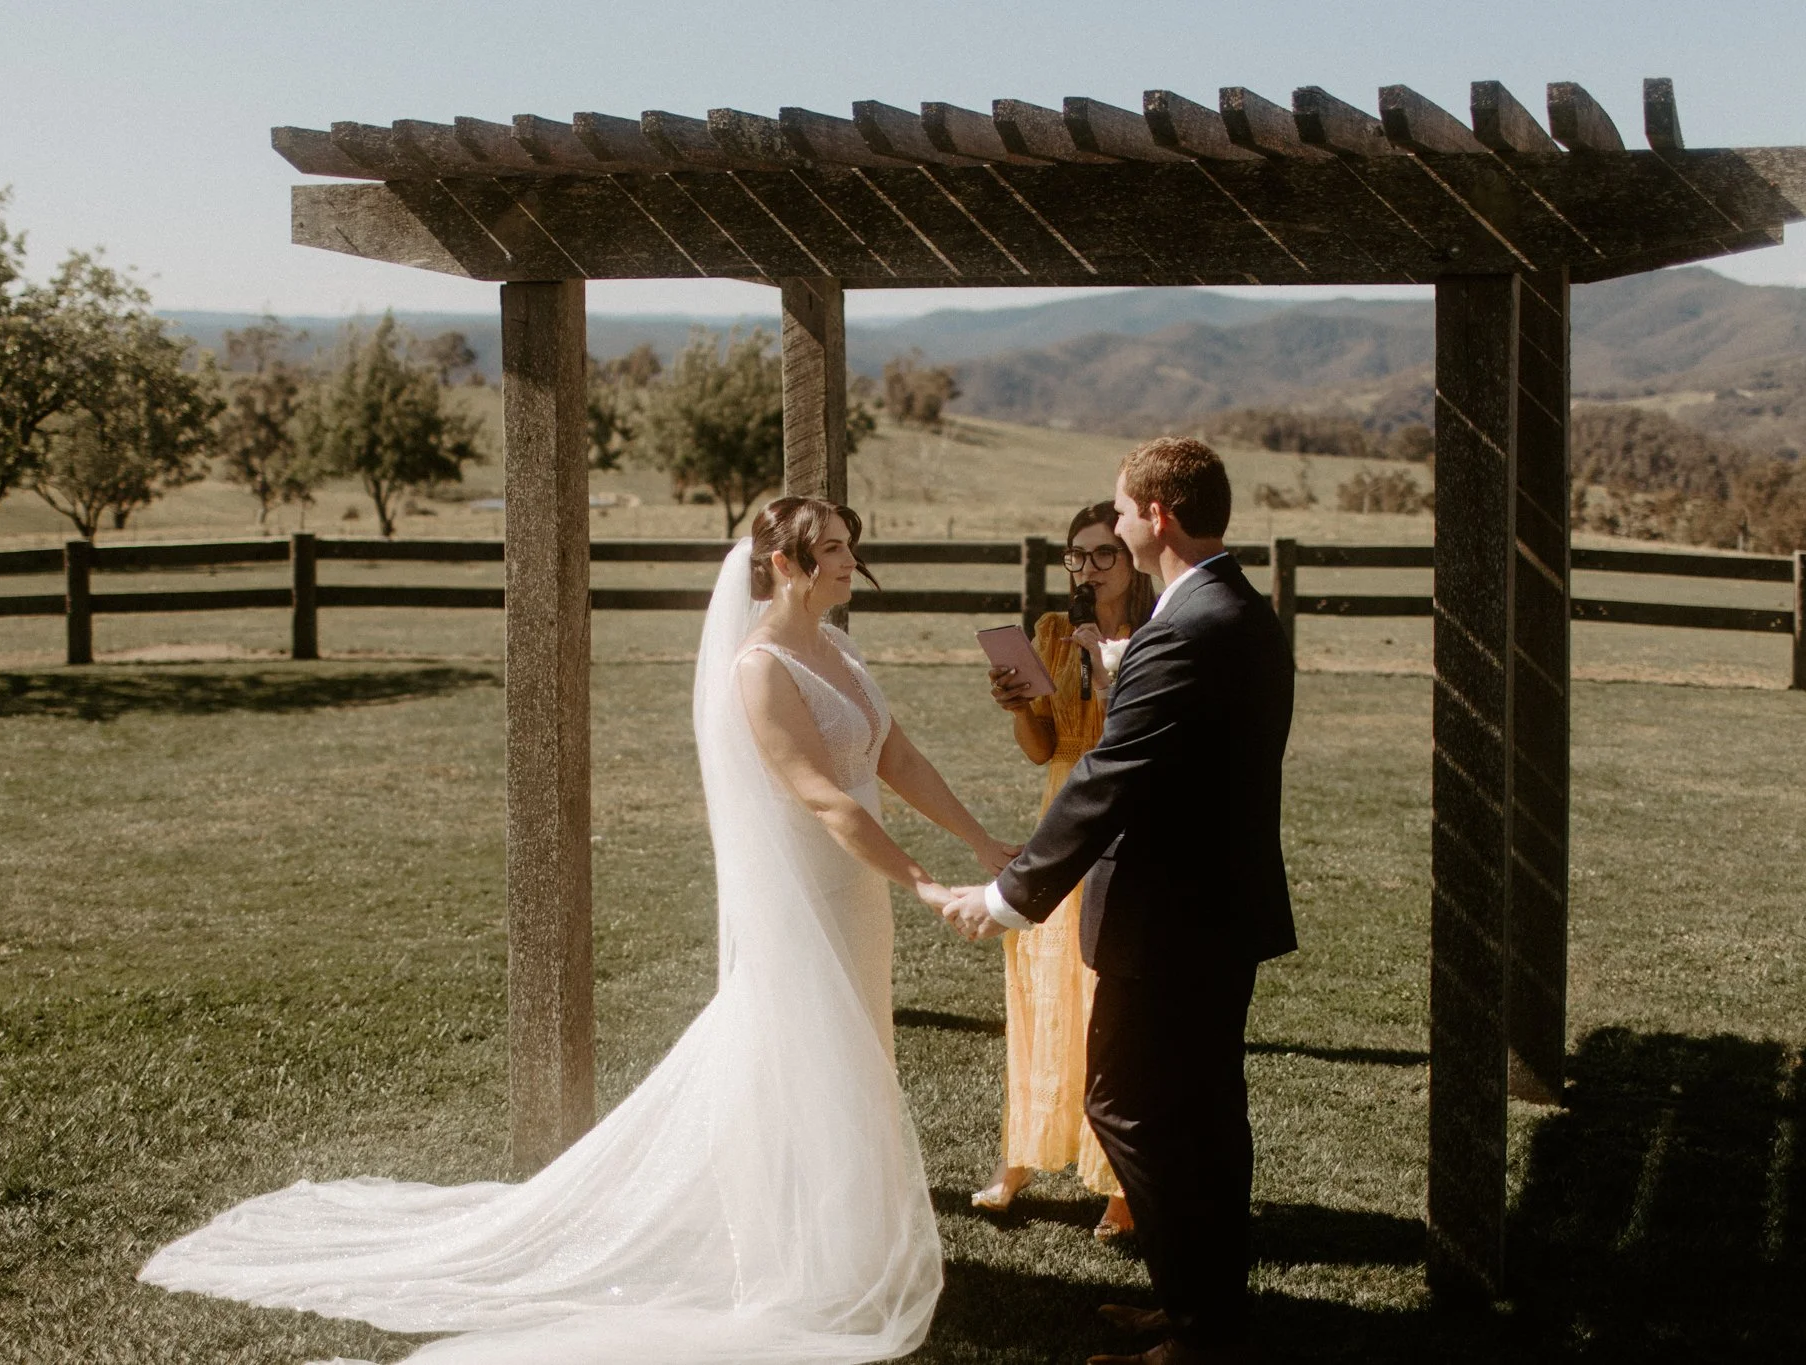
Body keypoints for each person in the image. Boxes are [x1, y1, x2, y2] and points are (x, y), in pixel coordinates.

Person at [141, 496, 1019, 1365]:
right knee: (796, 1050)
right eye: (827, 548)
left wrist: (979, 839)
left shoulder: (839, 649)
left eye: (845, 546)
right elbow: (824, 796)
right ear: (783, 565)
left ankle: (843, 1244)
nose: (844, 561)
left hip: (852, 896)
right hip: (807, 892)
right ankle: (792, 1258)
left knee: (853, 1050)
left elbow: (893, 758)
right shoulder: (759, 669)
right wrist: (926, 882)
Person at [943, 438, 1297, 1365]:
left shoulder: (1186, 628)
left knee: (1131, 1103)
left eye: (1121, 512)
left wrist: (1011, 897)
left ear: (1158, 516)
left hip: (1174, 920)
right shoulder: (1242, 610)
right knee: (1201, 1116)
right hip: (1214, 911)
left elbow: (1110, 778)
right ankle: (1200, 1311)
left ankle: (1201, 1331)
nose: (1113, 526)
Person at [975, 501, 1156, 1240]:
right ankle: (1021, 1153)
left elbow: (1137, 739)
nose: (1085, 569)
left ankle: (1120, 1180)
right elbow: (1042, 747)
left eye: (1101, 554)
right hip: (1061, 808)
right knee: (1044, 985)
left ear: (1133, 557)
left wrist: (1108, 673)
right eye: (1075, 556)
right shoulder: (1051, 634)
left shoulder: (1156, 636)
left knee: (1107, 998)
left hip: (1126, 814)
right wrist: (1019, 705)